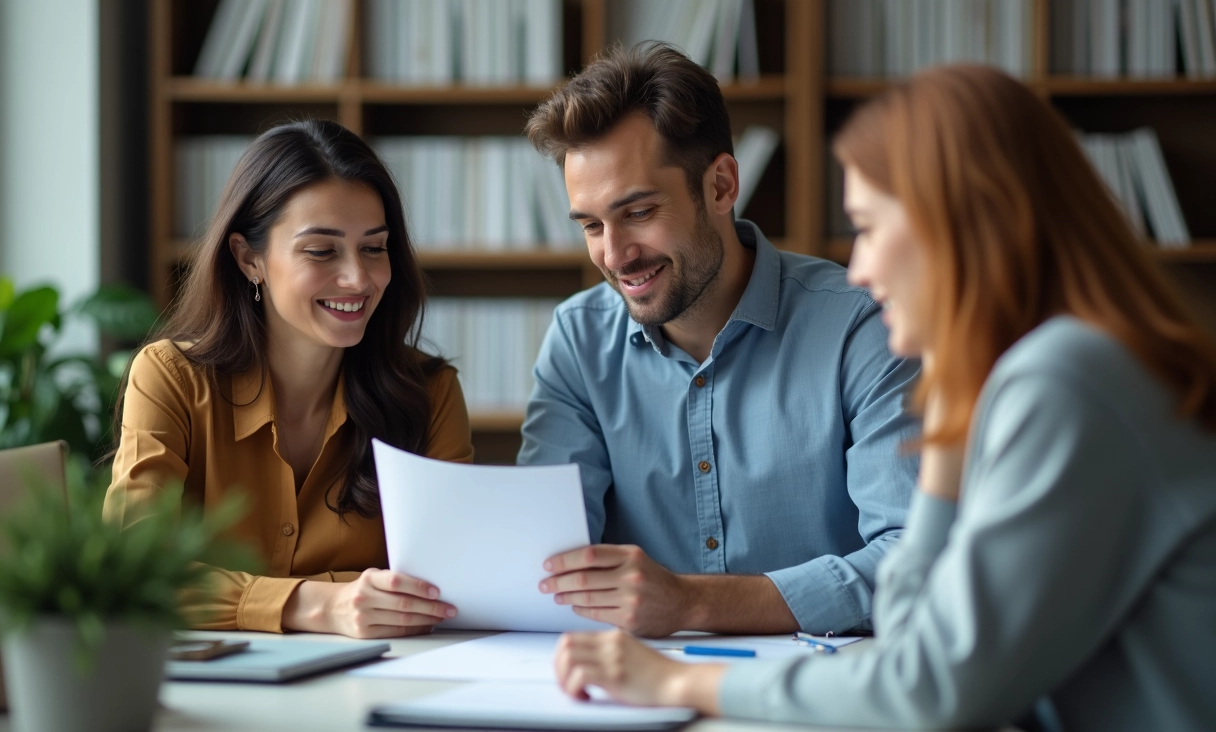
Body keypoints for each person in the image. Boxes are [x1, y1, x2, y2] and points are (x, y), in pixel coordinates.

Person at [550, 65, 1216, 731]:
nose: (860, 268)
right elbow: (916, 633)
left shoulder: (1069, 380)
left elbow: (929, 687)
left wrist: (683, 681)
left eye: (869, 226)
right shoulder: (1040, 374)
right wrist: (952, 430)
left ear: (962, 221)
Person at [519, 43, 921, 637]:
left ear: (721, 185)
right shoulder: (578, 341)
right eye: (591, 225)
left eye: (638, 212)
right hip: (633, 691)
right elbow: (544, 559)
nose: (614, 255)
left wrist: (693, 604)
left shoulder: (863, 327)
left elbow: (912, 559)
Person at [105, 119, 473, 638]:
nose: (359, 278)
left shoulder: (429, 393)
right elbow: (133, 569)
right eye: (321, 251)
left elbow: (454, 582)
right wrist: (322, 604)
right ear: (249, 258)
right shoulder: (171, 381)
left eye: (374, 247)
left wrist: (224, 591)